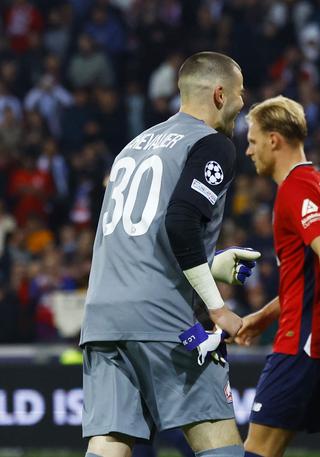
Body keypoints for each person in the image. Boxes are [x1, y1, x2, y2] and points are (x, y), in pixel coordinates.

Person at [80, 51, 260, 457]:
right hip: (168, 321)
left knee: (111, 440)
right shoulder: (212, 144)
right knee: (217, 437)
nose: (243, 103)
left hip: (104, 319)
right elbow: (180, 223)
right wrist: (217, 308)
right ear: (219, 94)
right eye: (239, 93)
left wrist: (212, 265)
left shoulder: (132, 147)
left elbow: (136, 239)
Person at [236, 95, 320, 457]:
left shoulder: (294, 188)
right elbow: (314, 277)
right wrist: (264, 316)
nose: (249, 151)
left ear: (273, 140)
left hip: (303, 344)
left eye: (252, 141)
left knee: (259, 448)